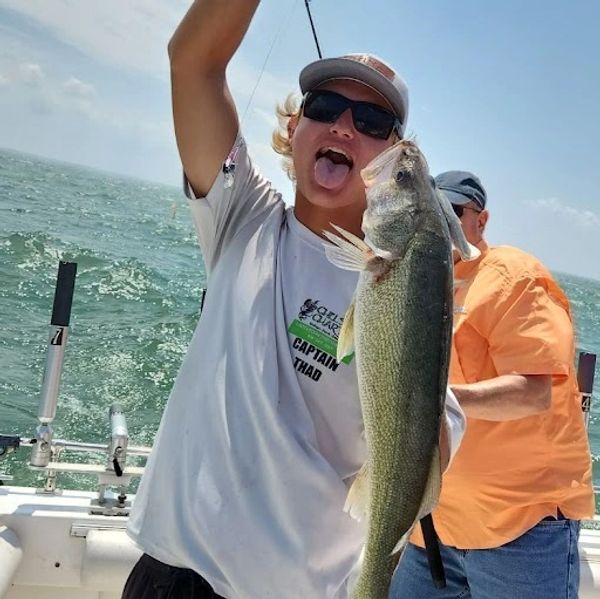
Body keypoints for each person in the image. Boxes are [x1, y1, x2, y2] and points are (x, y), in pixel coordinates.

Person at [122, 2, 466, 598]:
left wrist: (426, 292)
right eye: (325, 107)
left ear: (390, 160)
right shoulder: (242, 216)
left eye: (373, 121)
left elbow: (427, 445)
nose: (343, 127)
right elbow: (193, 62)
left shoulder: (398, 280)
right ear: (294, 127)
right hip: (168, 576)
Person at [390, 170, 595, 599]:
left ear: (481, 221)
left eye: (454, 211)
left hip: (520, 531)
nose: (441, 221)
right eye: (433, 210)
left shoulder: (514, 277)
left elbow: (535, 390)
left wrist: (439, 400)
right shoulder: (420, 276)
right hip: (434, 526)